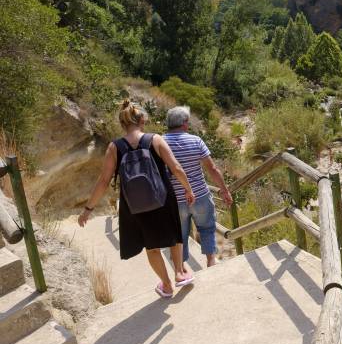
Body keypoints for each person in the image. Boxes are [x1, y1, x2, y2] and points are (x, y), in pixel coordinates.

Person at [78, 100, 194, 299]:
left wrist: (88, 209)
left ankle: (166, 285)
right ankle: (180, 273)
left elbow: (104, 181)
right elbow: (176, 168)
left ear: (123, 123)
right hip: (163, 197)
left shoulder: (115, 147)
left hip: (135, 205)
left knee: (152, 246)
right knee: (174, 235)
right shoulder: (155, 139)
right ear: (141, 119)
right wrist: (188, 189)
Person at [164, 106, 232, 268]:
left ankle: (181, 271)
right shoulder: (195, 140)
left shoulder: (160, 142)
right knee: (207, 228)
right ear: (185, 124)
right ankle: (210, 261)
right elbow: (212, 169)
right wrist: (224, 190)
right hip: (200, 195)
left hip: (175, 200)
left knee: (179, 236)